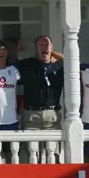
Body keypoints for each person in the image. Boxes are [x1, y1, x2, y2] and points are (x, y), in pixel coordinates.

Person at [17, 35, 64, 163]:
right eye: (41, 45)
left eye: (47, 45)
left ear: (52, 48)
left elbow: (73, 61)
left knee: (53, 156)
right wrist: (17, 50)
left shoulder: (59, 67)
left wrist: (52, 53)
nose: (45, 47)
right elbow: (7, 65)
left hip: (52, 117)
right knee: (32, 157)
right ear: (36, 49)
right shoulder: (27, 64)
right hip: (31, 116)